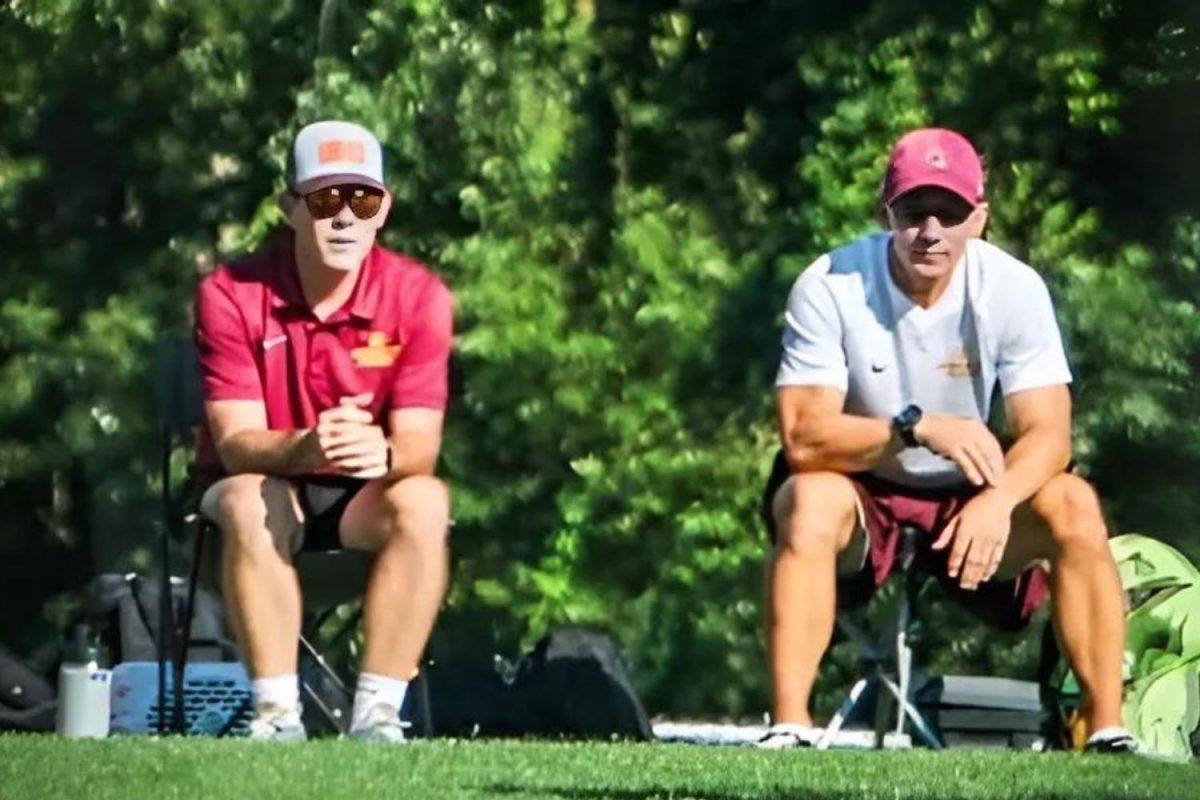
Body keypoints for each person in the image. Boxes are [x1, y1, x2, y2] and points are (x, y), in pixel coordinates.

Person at [758, 128, 1134, 753]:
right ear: (887, 213)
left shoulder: (1013, 290)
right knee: (807, 501)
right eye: (913, 213)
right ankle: (790, 725)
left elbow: (1050, 433)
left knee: (1073, 505)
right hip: (861, 482)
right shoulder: (829, 284)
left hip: (972, 489)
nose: (931, 231)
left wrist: (998, 500)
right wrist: (917, 426)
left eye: (951, 213)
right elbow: (802, 437)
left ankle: (1107, 731)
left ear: (979, 219)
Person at [193, 120, 453, 742]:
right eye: (324, 199)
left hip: (365, 495)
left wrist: (382, 451)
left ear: (383, 209)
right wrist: (306, 445)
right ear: (289, 209)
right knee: (251, 498)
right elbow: (234, 445)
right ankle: (277, 717)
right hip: (255, 493)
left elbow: (420, 447)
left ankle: (377, 717)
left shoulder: (419, 295)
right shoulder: (229, 292)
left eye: (361, 199)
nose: (343, 218)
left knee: (426, 500)